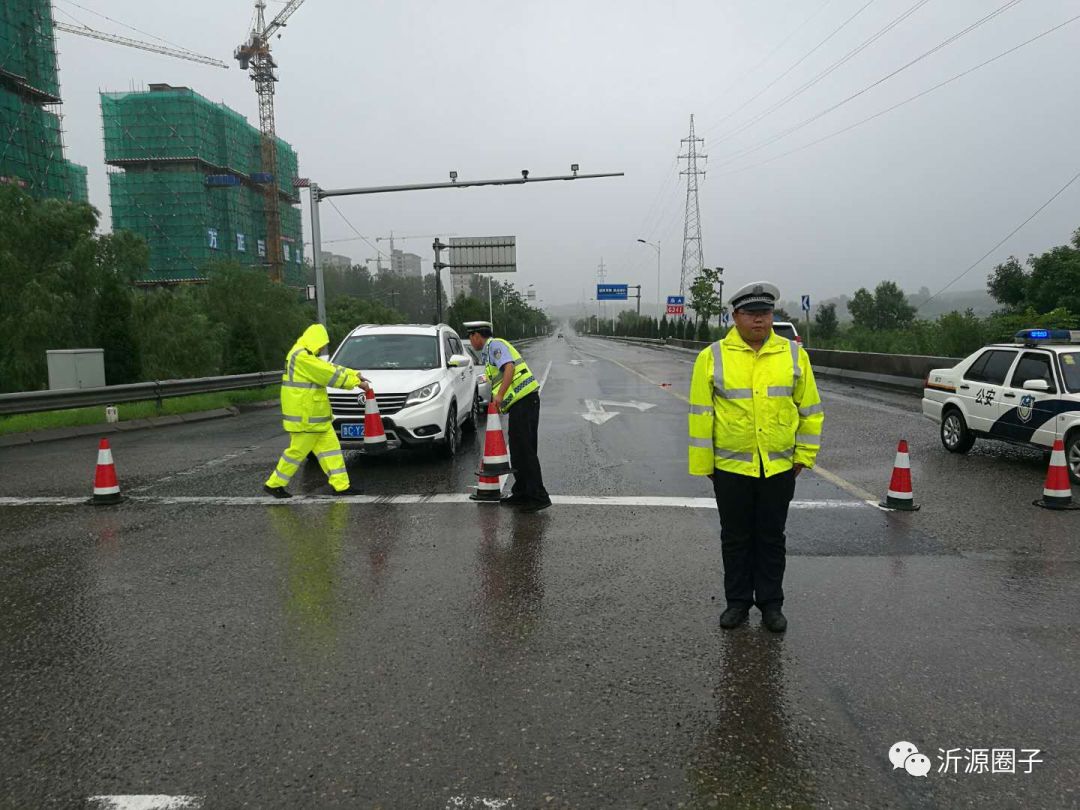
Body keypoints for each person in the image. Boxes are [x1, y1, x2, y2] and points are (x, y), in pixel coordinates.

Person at [688, 282, 824, 632]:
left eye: (764, 313)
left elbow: (810, 410)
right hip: (730, 468)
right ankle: (737, 603)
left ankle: (771, 604)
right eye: (750, 314)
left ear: (772, 315)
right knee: (735, 538)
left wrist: (803, 458)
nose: (759, 321)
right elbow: (701, 416)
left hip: (779, 467)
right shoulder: (712, 356)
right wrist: (706, 467)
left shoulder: (794, 355)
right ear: (735, 317)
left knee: (771, 538)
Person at [264, 323, 371, 498]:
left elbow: (328, 368)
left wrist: (354, 374)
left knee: (332, 451)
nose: (322, 348)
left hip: (316, 417)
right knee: (296, 452)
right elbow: (327, 374)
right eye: (321, 344)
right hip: (306, 417)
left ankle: (341, 486)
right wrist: (355, 382)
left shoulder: (303, 354)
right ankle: (274, 484)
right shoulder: (301, 357)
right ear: (315, 340)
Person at [464, 321, 551, 513]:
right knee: (518, 451)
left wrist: (500, 394)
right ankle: (521, 492)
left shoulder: (495, 345)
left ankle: (538, 496)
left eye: (471, 337)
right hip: (520, 404)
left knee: (525, 450)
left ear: (477, 336)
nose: (471, 342)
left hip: (526, 401)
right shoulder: (488, 352)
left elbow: (509, 368)